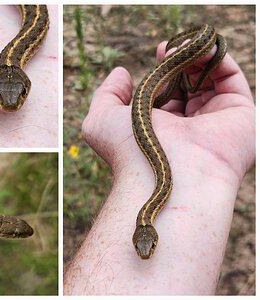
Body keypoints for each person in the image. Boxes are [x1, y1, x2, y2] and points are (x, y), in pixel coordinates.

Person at [64, 38, 255, 295]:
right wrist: (213, 164)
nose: (145, 253)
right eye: (148, 248)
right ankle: (193, 50)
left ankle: (200, 40)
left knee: (192, 45)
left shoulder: (155, 203)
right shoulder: (157, 197)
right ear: (151, 236)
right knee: (180, 56)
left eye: (146, 248)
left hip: (161, 89)